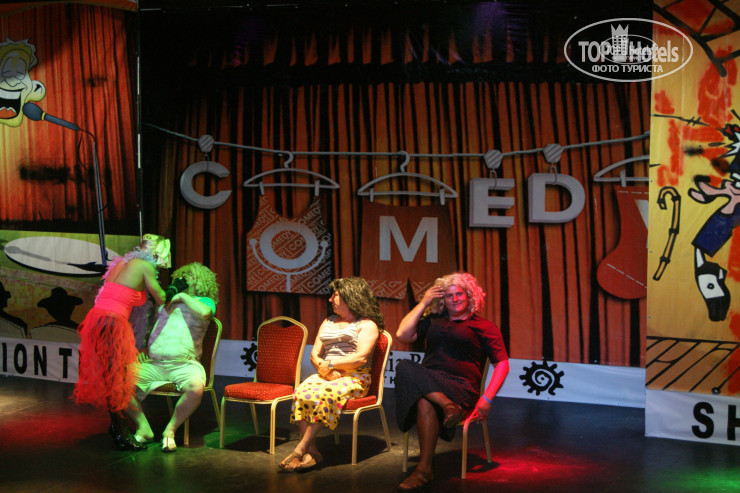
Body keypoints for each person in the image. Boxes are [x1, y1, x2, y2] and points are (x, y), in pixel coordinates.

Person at [394, 272, 509, 491]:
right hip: (432, 384)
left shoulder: (484, 327)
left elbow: (502, 364)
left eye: (459, 294)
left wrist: (487, 398)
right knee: (405, 367)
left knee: (424, 398)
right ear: (442, 299)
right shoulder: (433, 321)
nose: (455, 299)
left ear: (469, 296)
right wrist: (424, 302)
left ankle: (424, 470)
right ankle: (446, 408)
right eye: (449, 295)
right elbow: (402, 334)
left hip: (461, 387)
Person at [73, 234, 170, 451]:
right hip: (113, 323)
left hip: (98, 319)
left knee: (113, 377)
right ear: (156, 253)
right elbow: (161, 298)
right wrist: (175, 290)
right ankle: (120, 429)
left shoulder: (121, 263)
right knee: (117, 378)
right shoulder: (145, 266)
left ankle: (120, 427)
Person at [279, 277, 384, 472]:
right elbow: (314, 354)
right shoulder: (328, 321)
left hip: (355, 378)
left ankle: (300, 449)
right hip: (326, 374)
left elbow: (360, 358)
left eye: (335, 295)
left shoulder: (367, 325)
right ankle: (312, 450)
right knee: (301, 393)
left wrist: (330, 364)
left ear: (349, 296)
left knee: (325, 395)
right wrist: (326, 370)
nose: (330, 299)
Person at [124, 262, 218, 452]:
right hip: (155, 364)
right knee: (117, 384)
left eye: (190, 275)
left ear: (201, 281)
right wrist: (141, 348)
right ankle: (144, 428)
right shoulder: (164, 301)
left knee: (195, 388)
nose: (184, 278)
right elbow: (147, 328)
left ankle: (170, 430)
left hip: (185, 364)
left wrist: (182, 296)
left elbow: (205, 313)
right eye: (181, 275)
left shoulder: (205, 301)